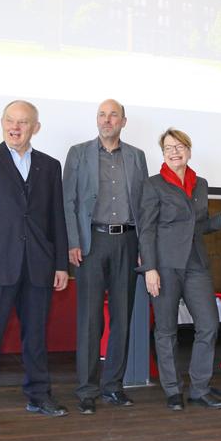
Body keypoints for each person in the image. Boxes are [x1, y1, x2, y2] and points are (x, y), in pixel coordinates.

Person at [0, 100, 70, 429]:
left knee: (35, 336)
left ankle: (39, 395)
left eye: (24, 122)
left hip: (38, 265)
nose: (16, 127)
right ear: (2, 122)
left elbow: (56, 219)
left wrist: (61, 264)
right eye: (11, 120)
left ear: (35, 127)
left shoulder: (49, 166)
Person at [138, 128, 221, 411]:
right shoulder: (153, 184)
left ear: (189, 150)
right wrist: (150, 268)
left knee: (208, 325)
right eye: (168, 147)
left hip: (196, 264)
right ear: (163, 153)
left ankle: (199, 389)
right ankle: (172, 390)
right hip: (164, 266)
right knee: (167, 330)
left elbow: (202, 225)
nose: (174, 151)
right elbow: (146, 230)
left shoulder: (201, 184)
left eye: (179, 146)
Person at [63, 99, 148, 415]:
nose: (107, 119)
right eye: (102, 114)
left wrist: (144, 247)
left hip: (127, 241)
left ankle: (113, 386)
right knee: (90, 319)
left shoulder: (137, 157)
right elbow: (68, 201)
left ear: (123, 121)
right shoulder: (78, 153)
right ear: (96, 120)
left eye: (113, 115)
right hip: (91, 243)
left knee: (122, 317)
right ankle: (87, 390)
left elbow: (143, 207)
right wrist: (73, 241)